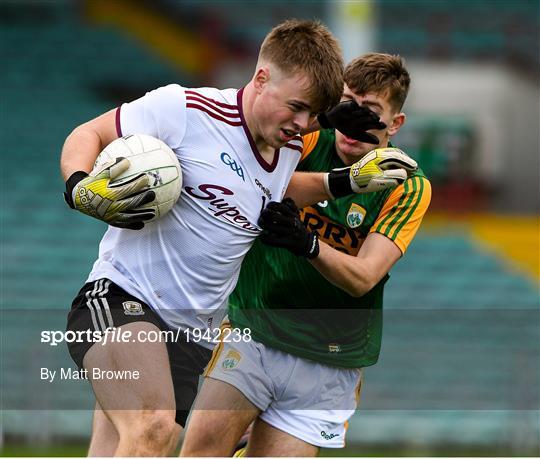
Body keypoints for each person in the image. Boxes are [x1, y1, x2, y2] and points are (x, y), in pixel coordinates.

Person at [61, 18, 416, 456]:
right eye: (296, 107)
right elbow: (89, 133)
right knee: (154, 428)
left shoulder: (287, 149)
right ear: (261, 78)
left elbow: (276, 190)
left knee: (127, 445)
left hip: (195, 336)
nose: (304, 124)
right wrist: (79, 187)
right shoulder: (184, 109)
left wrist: (344, 182)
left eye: (312, 114)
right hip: (122, 296)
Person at [180, 53, 431, 457]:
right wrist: (339, 178)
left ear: (395, 124)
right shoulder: (308, 139)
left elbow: (364, 276)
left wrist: (308, 244)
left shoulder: (408, 185)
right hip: (255, 329)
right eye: (348, 103)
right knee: (200, 451)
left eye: (371, 111)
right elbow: (255, 178)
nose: (355, 119)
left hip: (329, 359)